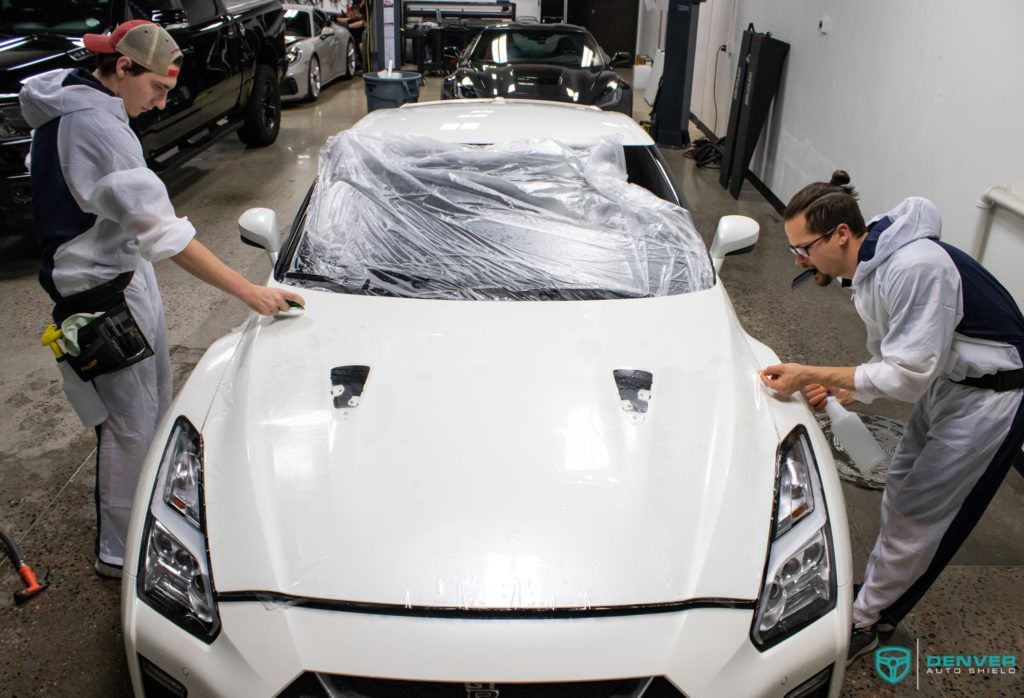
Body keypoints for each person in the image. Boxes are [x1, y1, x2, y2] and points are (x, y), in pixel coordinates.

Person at [19, 20, 304, 578]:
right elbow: (165, 234)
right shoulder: (94, 125)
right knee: (128, 423)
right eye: (156, 89)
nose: (158, 104)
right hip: (99, 289)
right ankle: (120, 553)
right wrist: (249, 291)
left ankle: (148, 517)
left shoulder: (74, 103)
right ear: (123, 68)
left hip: (114, 271)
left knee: (149, 408)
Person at [760, 171, 1024, 664]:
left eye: (804, 248)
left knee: (926, 513)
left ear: (840, 233)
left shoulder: (914, 268)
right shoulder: (871, 265)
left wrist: (806, 373)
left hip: (991, 398)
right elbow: (897, 357)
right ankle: (878, 590)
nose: (799, 260)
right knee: (902, 490)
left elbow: (906, 374)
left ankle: (872, 621)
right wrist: (845, 390)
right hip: (950, 385)